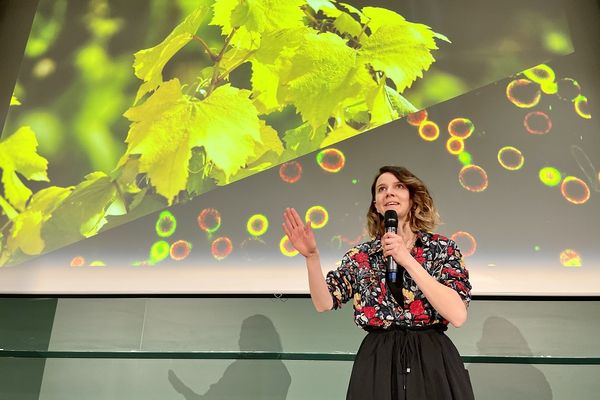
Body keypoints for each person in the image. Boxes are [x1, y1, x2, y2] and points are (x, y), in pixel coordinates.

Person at [282, 165, 474, 399]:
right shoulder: (362, 255)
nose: (389, 193)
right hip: (378, 361)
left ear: (412, 198)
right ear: (376, 204)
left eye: (399, 186)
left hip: (432, 359)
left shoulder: (442, 249)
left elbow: (458, 315)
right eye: (382, 189)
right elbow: (324, 303)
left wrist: (407, 260)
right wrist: (312, 258)